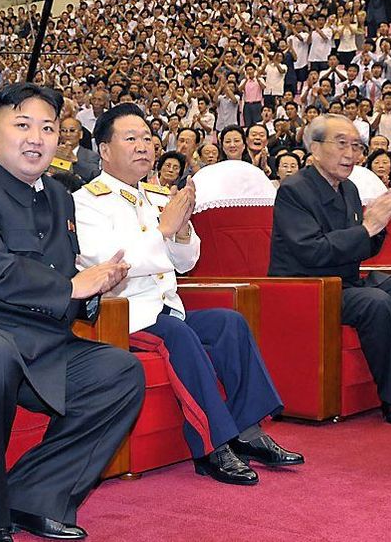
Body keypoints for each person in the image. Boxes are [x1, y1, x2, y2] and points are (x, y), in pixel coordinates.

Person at [0, 83, 144, 542]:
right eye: (22, 125)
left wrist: (94, 290)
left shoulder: (59, 196)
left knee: (118, 372)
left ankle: (33, 496)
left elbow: (67, 272)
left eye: (48, 128)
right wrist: (73, 286)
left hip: (34, 336)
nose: (36, 137)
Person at [75, 103, 301, 487]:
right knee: (178, 336)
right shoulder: (86, 201)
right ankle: (212, 447)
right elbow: (108, 263)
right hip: (123, 315)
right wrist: (164, 229)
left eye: (147, 138)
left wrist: (181, 232)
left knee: (229, 323)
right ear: (104, 150)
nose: (144, 146)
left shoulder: (156, 194)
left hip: (165, 308)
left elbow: (185, 261)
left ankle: (249, 432)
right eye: (131, 139)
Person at [269, 114, 391, 427]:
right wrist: (368, 226)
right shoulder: (294, 190)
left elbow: (364, 248)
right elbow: (312, 251)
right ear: (314, 148)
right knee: (375, 302)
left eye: (355, 146)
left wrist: (379, 225)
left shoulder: (349, 189)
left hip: (347, 282)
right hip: (309, 287)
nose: (351, 154)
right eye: (341, 144)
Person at [58, 116, 100, 182]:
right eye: (63, 130)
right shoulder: (53, 152)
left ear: (80, 134)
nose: (68, 134)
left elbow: (94, 175)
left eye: (72, 130)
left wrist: (75, 160)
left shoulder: (91, 155)